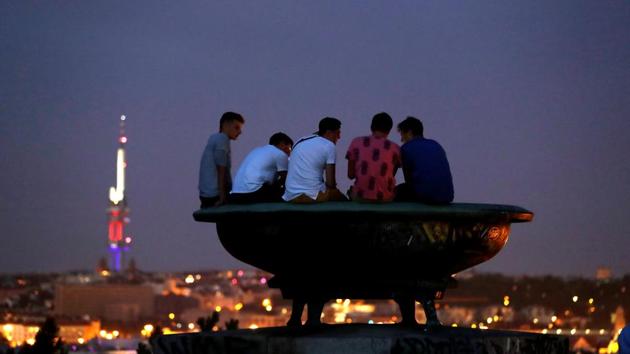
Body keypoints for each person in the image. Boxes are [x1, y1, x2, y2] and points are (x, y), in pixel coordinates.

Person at [282, 117, 347, 203]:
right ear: (328, 133)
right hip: (311, 195)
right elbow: (331, 183)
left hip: (290, 196)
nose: (339, 137)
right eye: (337, 133)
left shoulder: (300, 141)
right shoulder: (329, 146)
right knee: (343, 199)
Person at [395, 116, 454, 204]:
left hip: (426, 196)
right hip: (447, 196)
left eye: (403, 136)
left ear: (409, 132)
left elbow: (409, 181)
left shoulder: (406, 148)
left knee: (394, 193)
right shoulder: (436, 145)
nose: (402, 140)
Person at [346, 112, 401, 202]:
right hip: (385, 198)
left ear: (371, 127)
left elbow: (350, 175)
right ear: (389, 130)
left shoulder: (356, 142)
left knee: (350, 191)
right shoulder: (395, 148)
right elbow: (390, 175)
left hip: (360, 196)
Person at [228, 132, 293, 204]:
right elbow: (286, 179)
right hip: (253, 193)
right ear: (284, 145)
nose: (289, 154)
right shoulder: (280, 154)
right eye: (290, 149)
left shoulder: (256, 150)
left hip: (235, 194)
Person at [198, 111, 244, 208]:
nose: (240, 132)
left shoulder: (214, 139)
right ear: (225, 125)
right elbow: (221, 171)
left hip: (207, 194)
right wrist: (222, 198)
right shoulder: (222, 139)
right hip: (215, 195)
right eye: (236, 128)